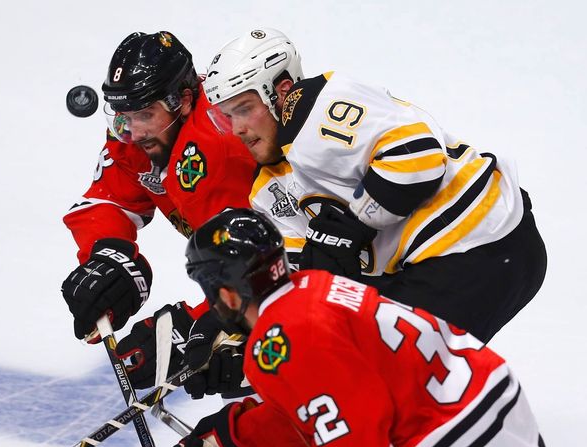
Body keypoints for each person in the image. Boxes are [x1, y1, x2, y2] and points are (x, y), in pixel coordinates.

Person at [172, 208, 549, 447]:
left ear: (228, 293)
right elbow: (343, 397)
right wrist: (239, 436)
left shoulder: (280, 340)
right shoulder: (316, 285)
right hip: (502, 423)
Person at [201, 28, 547, 344]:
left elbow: (418, 157)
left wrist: (352, 224)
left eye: (244, 109)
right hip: (452, 266)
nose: (237, 129)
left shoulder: (312, 105)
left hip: (479, 244)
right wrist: (232, 328)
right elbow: (300, 275)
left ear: (282, 91)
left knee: (368, 368)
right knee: (332, 344)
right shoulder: (268, 190)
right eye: (226, 117)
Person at [60, 31, 258, 389]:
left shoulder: (225, 147)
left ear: (182, 100)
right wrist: (108, 254)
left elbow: (275, 262)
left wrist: (199, 323)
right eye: (121, 116)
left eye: (144, 115)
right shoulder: (138, 134)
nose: (131, 132)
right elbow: (108, 198)